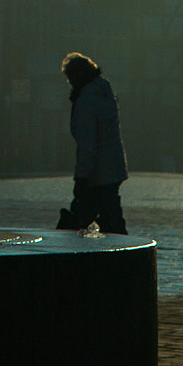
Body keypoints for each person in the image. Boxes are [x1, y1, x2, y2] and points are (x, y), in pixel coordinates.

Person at [56, 51, 128, 233]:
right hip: (113, 169)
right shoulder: (105, 94)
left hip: (97, 173)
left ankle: (60, 251)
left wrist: (81, 177)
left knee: (84, 216)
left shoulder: (86, 102)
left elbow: (87, 144)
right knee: (108, 215)